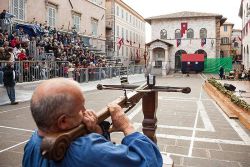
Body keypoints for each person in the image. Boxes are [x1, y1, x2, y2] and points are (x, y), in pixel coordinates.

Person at [22, 78, 163, 167]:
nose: (86, 110)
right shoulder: (88, 150)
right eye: (81, 108)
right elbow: (151, 162)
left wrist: (97, 131)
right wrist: (127, 127)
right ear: (63, 121)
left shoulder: (32, 142)